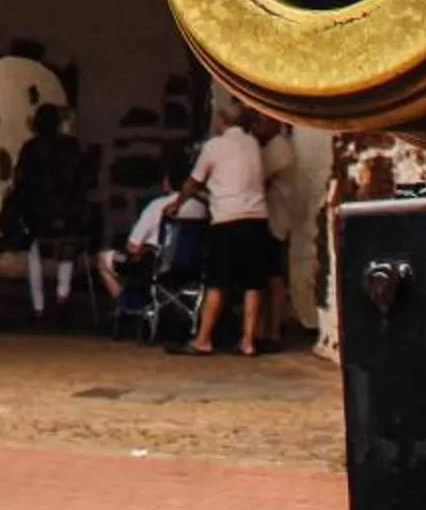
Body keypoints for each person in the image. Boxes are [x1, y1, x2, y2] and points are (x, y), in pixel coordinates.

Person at [173, 99, 276, 357]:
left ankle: (203, 339)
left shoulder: (214, 147)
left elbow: (194, 182)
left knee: (218, 281)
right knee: (253, 282)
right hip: (256, 218)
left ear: (222, 122)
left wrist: (177, 203)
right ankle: (248, 341)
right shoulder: (253, 144)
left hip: (227, 219)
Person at [5, 104, 89, 322]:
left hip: (39, 216)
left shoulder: (31, 148)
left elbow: (21, 182)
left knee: (34, 250)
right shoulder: (71, 146)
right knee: (66, 248)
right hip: (66, 214)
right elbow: (82, 179)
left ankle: (39, 306)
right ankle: (62, 294)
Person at [94, 152, 201, 305]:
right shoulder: (202, 208)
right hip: (192, 269)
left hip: (158, 267)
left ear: (167, 180)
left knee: (104, 258)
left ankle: (129, 305)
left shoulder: (158, 206)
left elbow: (133, 246)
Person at [256, 112, 301, 346]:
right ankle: (265, 329)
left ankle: (274, 331)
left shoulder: (278, 147)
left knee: (275, 277)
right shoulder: (274, 146)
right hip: (271, 218)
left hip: (276, 220)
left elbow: (258, 176)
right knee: (267, 276)